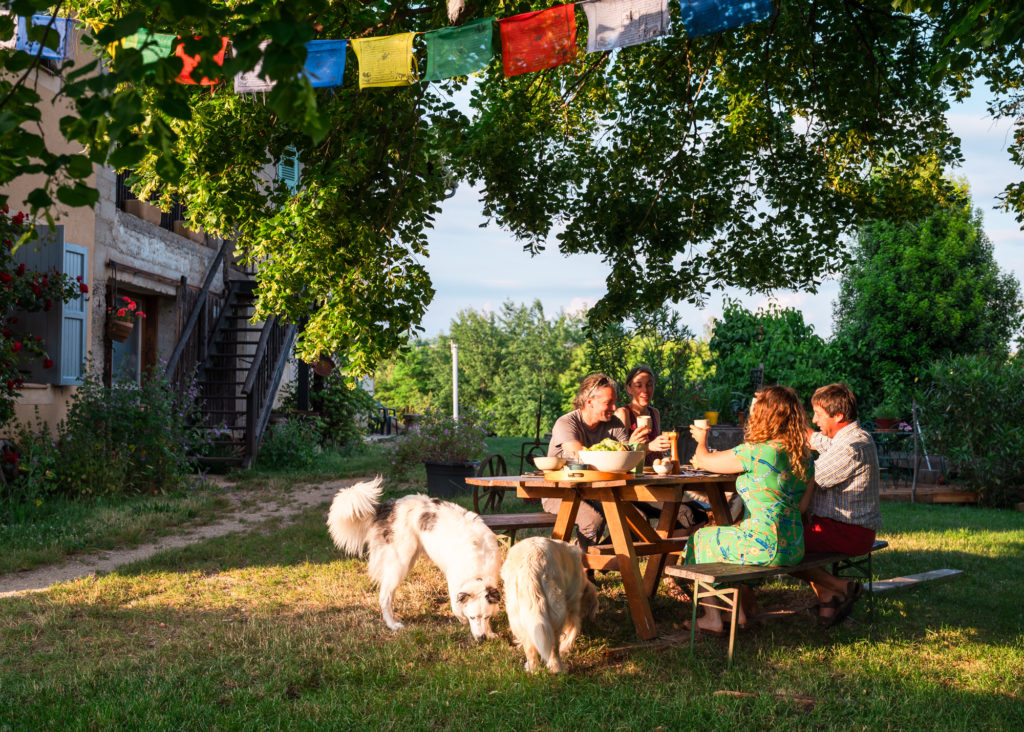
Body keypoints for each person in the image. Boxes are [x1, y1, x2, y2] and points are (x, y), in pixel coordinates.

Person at [684, 385, 814, 634]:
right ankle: (736, 613)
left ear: (765, 416)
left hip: (764, 547)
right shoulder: (805, 457)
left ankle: (712, 616)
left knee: (701, 539)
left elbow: (703, 460)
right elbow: (802, 507)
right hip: (794, 547)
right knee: (725, 535)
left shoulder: (754, 452)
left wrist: (701, 440)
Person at [792, 383, 882, 627]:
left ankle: (840, 587)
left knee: (779, 543)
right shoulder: (851, 437)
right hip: (839, 528)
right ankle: (829, 597)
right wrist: (789, 417)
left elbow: (808, 479)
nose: (814, 419)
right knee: (783, 537)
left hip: (848, 532)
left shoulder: (852, 448)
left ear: (838, 416)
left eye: (819, 414)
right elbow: (814, 438)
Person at [546, 373, 652, 549]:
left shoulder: (614, 424)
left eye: (614, 401)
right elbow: (580, 456)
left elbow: (626, 461)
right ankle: (583, 569)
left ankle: (597, 563)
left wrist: (633, 447)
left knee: (638, 521)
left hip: (598, 491)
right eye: (608, 403)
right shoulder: (566, 423)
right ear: (589, 402)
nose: (614, 407)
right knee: (593, 521)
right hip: (560, 491)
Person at [613, 364, 672, 464]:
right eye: (638, 386)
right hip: (633, 476)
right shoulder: (622, 413)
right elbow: (619, 456)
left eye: (649, 385)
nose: (645, 390)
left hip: (654, 473)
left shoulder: (654, 413)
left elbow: (658, 453)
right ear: (629, 389)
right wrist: (649, 447)